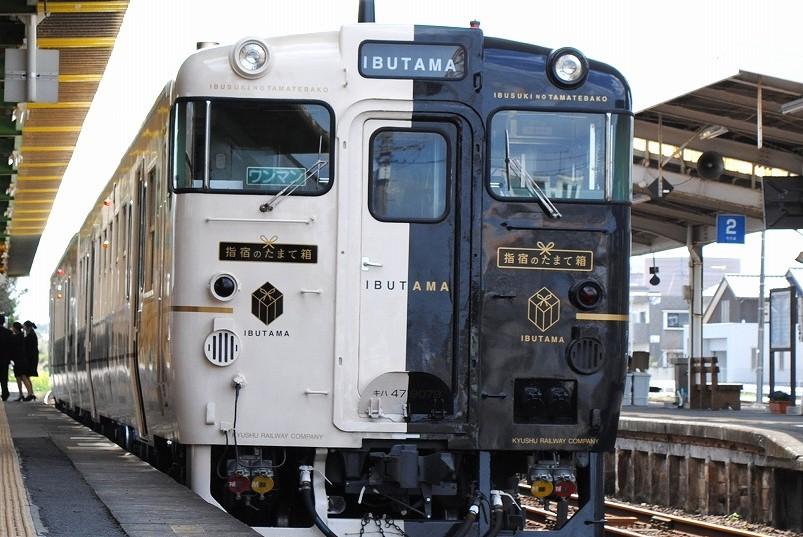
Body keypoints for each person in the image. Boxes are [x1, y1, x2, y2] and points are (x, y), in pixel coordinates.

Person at [11, 322, 34, 401]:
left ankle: (29, 393)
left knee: (22, 376)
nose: (12, 329)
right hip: (20, 359)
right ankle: (22, 394)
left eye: (13, 327)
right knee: (19, 377)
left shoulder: (18, 337)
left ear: (15, 328)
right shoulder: (21, 336)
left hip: (19, 360)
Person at [22, 321, 38, 402]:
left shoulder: (30, 336)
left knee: (24, 375)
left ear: (27, 327)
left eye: (24, 326)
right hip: (32, 358)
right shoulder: (32, 334)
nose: (23, 328)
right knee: (27, 376)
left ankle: (30, 394)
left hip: (30, 359)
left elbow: (27, 346)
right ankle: (31, 393)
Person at [0, 315, 12, 401]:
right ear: (4, 322)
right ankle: (5, 393)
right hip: (5, 359)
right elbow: (11, 347)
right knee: (4, 377)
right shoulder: (8, 332)